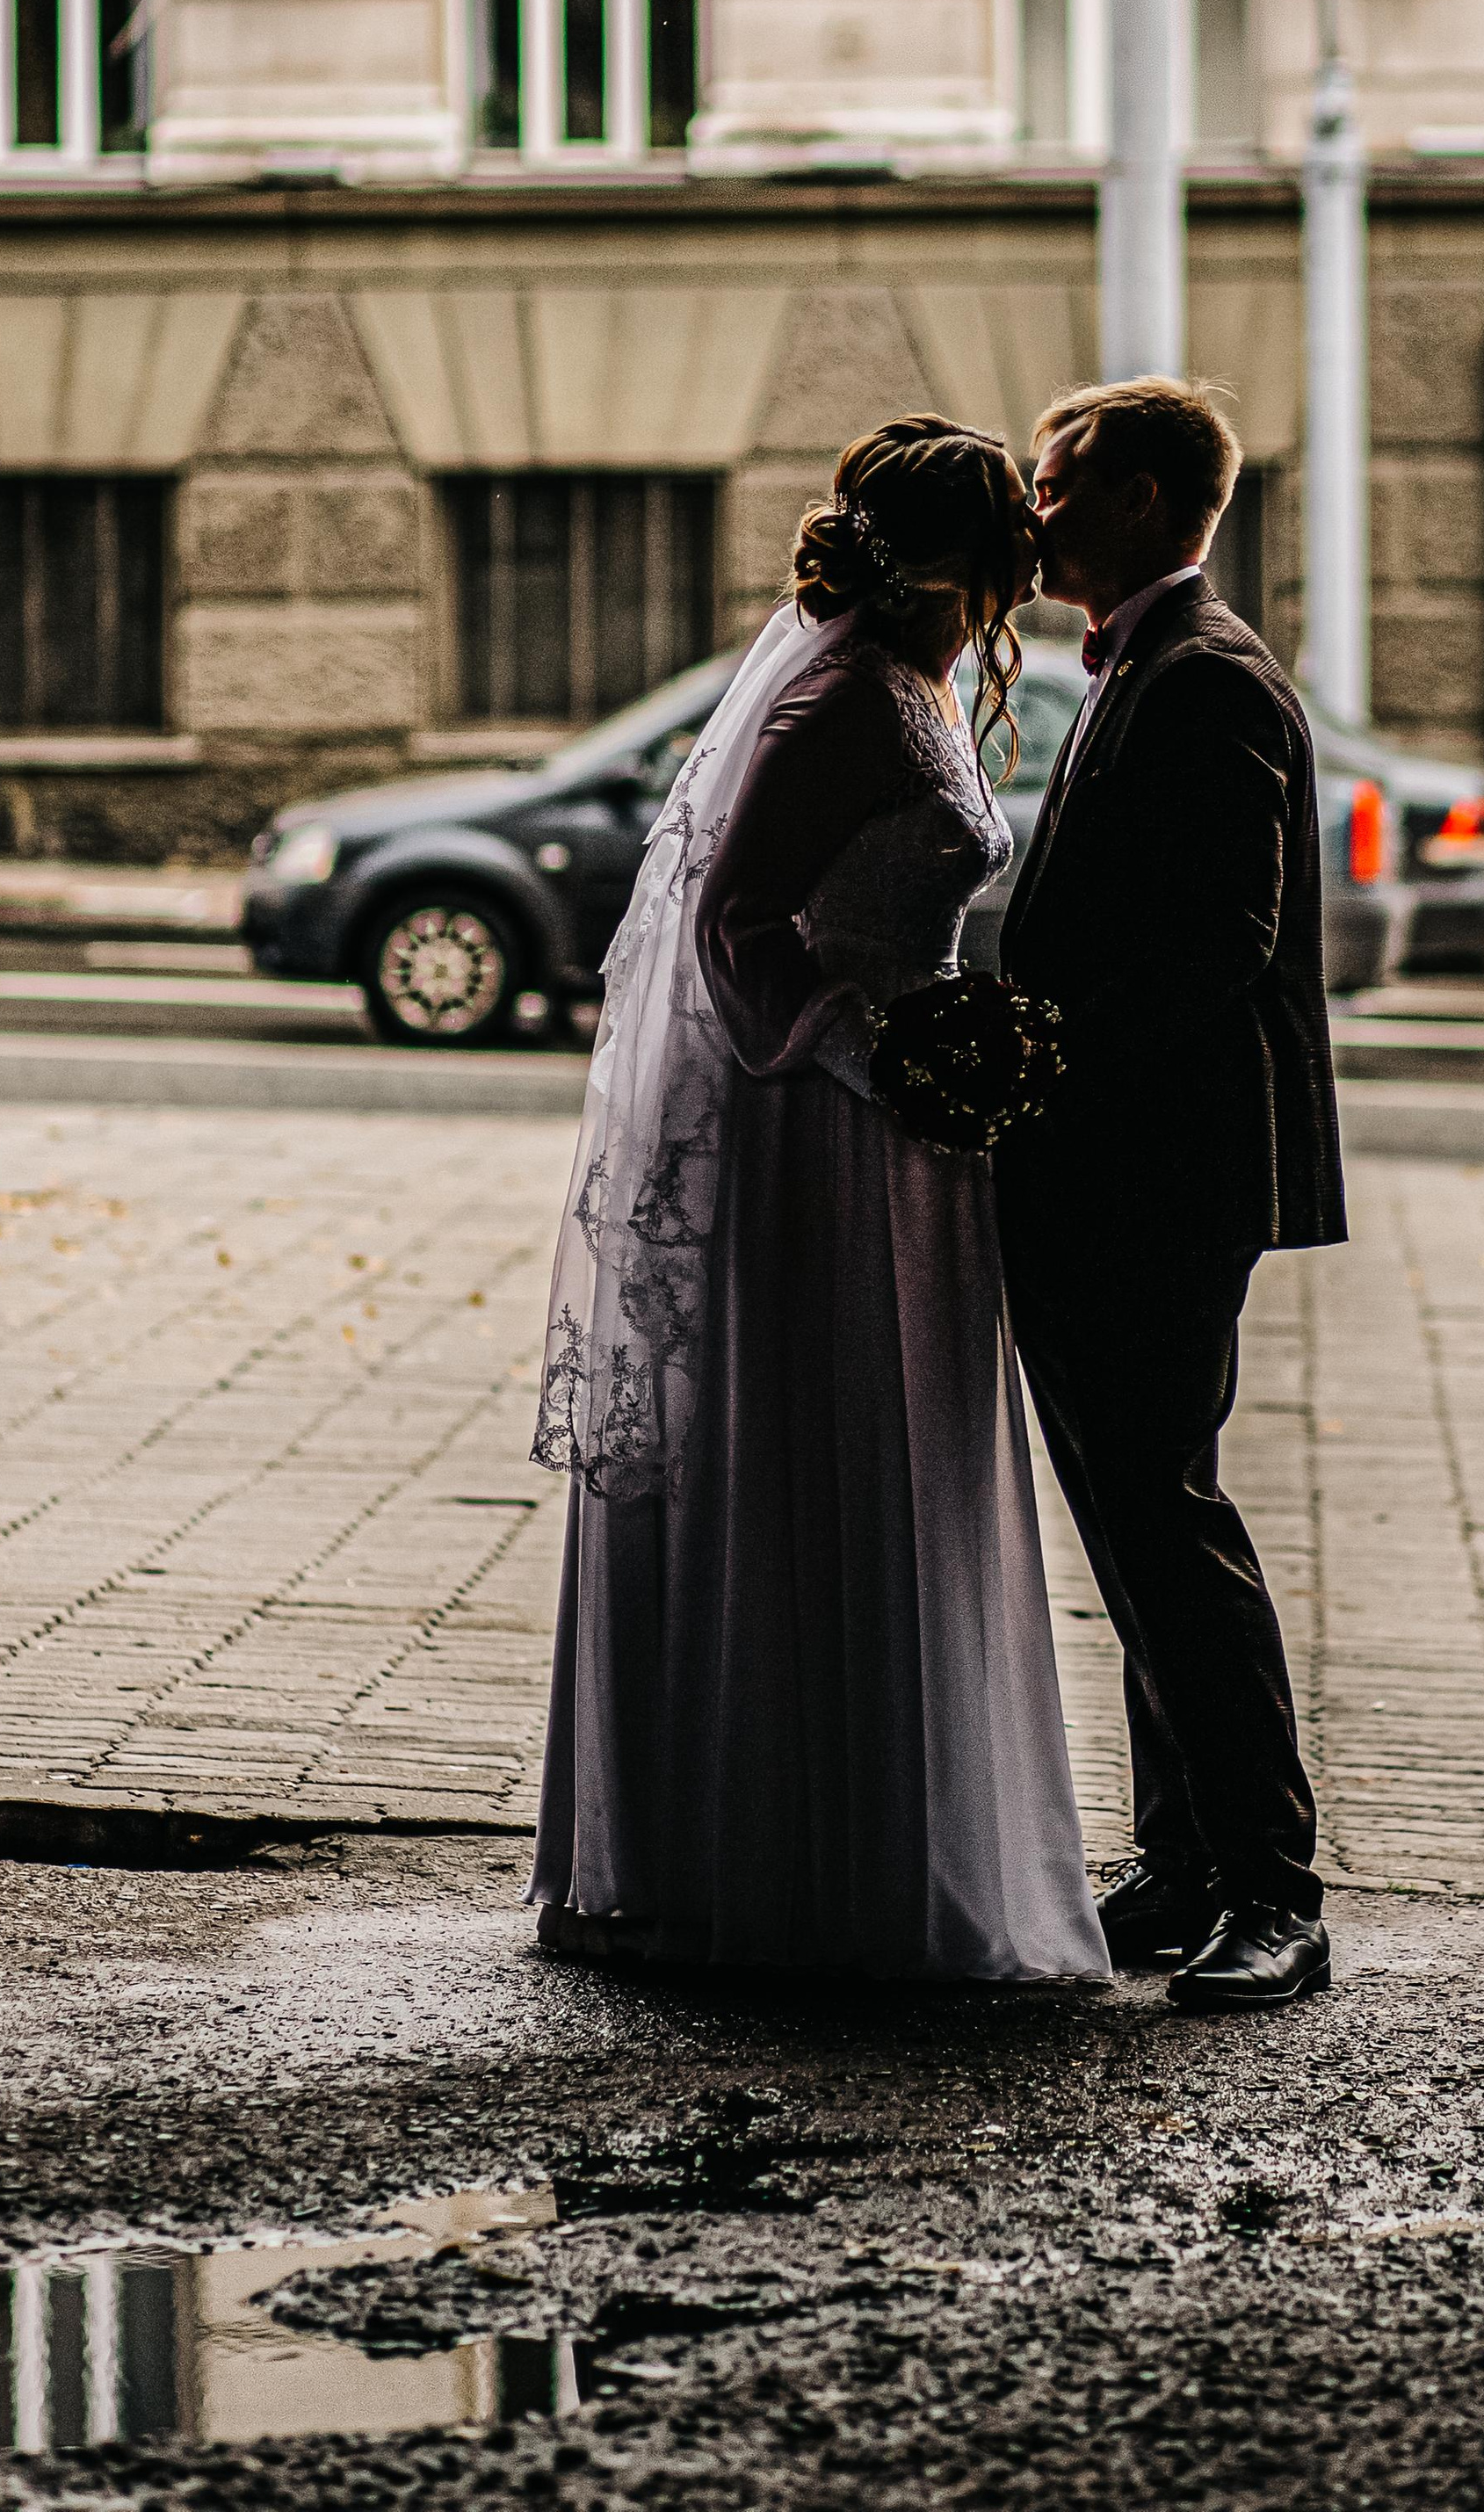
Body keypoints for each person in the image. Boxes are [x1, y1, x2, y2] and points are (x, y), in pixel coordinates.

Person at [526, 415, 1109, 1985]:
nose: (1039, 561)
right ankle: (794, 1862)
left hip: (901, 1134)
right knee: (827, 1457)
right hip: (824, 1133)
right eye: (1018, 534)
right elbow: (734, 923)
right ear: (964, 558)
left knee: (892, 1451)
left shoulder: (912, 685)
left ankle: (889, 1838)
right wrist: (880, 1051)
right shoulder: (845, 694)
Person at [995, 376, 1347, 2012]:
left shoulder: (1203, 680)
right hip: (1115, 1168)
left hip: (1152, 1175)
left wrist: (1028, 1057)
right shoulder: (1153, 660)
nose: (1035, 508)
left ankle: (1276, 1888)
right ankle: (1189, 1864)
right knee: (1139, 1524)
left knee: (1166, 1525)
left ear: (1142, 499)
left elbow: (1211, 951)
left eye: (1059, 483)